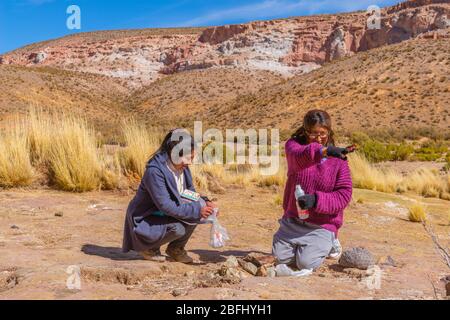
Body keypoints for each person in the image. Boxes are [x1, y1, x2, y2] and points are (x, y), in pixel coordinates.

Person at [272, 109, 353, 276]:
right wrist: (324, 151)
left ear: (329, 131)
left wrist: (316, 200)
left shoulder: (339, 160)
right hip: (294, 219)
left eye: (323, 134)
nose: (318, 138)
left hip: (322, 224)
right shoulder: (293, 147)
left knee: (306, 263)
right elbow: (299, 156)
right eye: (313, 134)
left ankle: (331, 241)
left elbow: (344, 195)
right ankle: (309, 245)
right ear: (305, 131)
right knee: (280, 258)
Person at [122, 128, 216, 263]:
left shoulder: (182, 167)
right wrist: (197, 210)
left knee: (197, 207)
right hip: (146, 218)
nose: (190, 162)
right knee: (179, 228)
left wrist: (205, 201)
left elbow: (188, 191)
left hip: (163, 214)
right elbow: (165, 205)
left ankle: (175, 249)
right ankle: (149, 248)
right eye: (189, 158)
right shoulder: (155, 172)